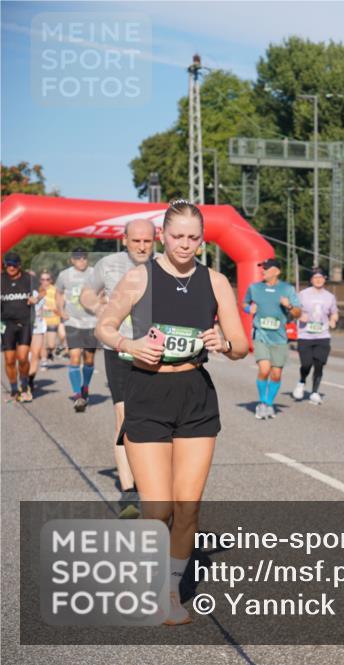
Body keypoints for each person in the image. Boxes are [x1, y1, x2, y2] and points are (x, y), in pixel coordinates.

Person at [95, 200, 248, 625]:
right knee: (158, 507)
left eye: (193, 238)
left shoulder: (216, 281)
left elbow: (240, 345)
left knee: (188, 505)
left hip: (195, 395)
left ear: (203, 240)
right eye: (177, 236)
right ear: (163, 236)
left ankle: (169, 593)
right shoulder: (139, 276)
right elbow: (104, 327)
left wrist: (224, 344)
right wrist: (130, 345)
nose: (185, 245)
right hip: (146, 392)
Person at [80, 218, 156, 502]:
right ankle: (129, 491)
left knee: (157, 419)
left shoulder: (164, 264)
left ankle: (153, 477)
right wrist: (103, 310)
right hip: (119, 349)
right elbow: (87, 294)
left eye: (147, 240)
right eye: (136, 240)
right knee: (124, 417)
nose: (141, 246)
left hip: (155, 351)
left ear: (155, 239)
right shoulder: (108, 264)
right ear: (125, 240)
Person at [244, 257, 301, 419]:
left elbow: (298, 312)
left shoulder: (287, 289)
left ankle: (269, 403)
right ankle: (262, 403)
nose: (263, 271)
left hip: (279, 338)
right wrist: (249, 308)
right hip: (260, 335)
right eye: (263, 268)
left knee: (276, 374)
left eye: (267, 268)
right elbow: (243, 303)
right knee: (264, 369)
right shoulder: (254, 288)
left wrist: (288, 305)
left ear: (277, 271)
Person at [56, 248, 98, 411]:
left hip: (91, 322)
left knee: (89, 360)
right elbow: (58, 294)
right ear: (72, 260)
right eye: (78, 258)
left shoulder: (94, 273)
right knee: (74, 358)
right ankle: (77, 395)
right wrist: (60, 310)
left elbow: (102, 292)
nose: (81, 261)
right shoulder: (64, 275)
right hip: (72, 321)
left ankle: (85, 386)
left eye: (84, 258)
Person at [293, 266, 339, 405]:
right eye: (315, 277)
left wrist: (333, 320)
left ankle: (314, 392)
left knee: (319, 364)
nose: (318, 280)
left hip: (323, 335)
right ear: (311, 279)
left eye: (321, 277)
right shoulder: (303, 294)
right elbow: (295, 310)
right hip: (305, 335)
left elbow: (334, 312)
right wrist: (300, 316)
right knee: (306, 364)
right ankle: (301, 382)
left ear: (325, 279)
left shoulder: (330, 296)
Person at [2, 251, 37, 401]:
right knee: (9, 359)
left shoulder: (28, 278)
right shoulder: (1, 279)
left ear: (19, 266)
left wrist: (36, 297)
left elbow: (42, 289)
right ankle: (14, 388)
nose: (10, 268)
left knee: (22, 357)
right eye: (8, 265)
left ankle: (24, 383)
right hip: (6, 323)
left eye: (13, 265)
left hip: (25, 323)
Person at [39, 272, 61, 364]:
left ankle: (49, 352)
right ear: (40, 280)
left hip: (53, 319)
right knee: (43, 342)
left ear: (51, 280)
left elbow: (60, 304)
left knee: (51, 344)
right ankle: (44, 361)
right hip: (41, 320)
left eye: (47, 279)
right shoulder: (37, 289)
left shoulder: (55, 289)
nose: (45, 281)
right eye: (43, 279)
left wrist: (54, 308)